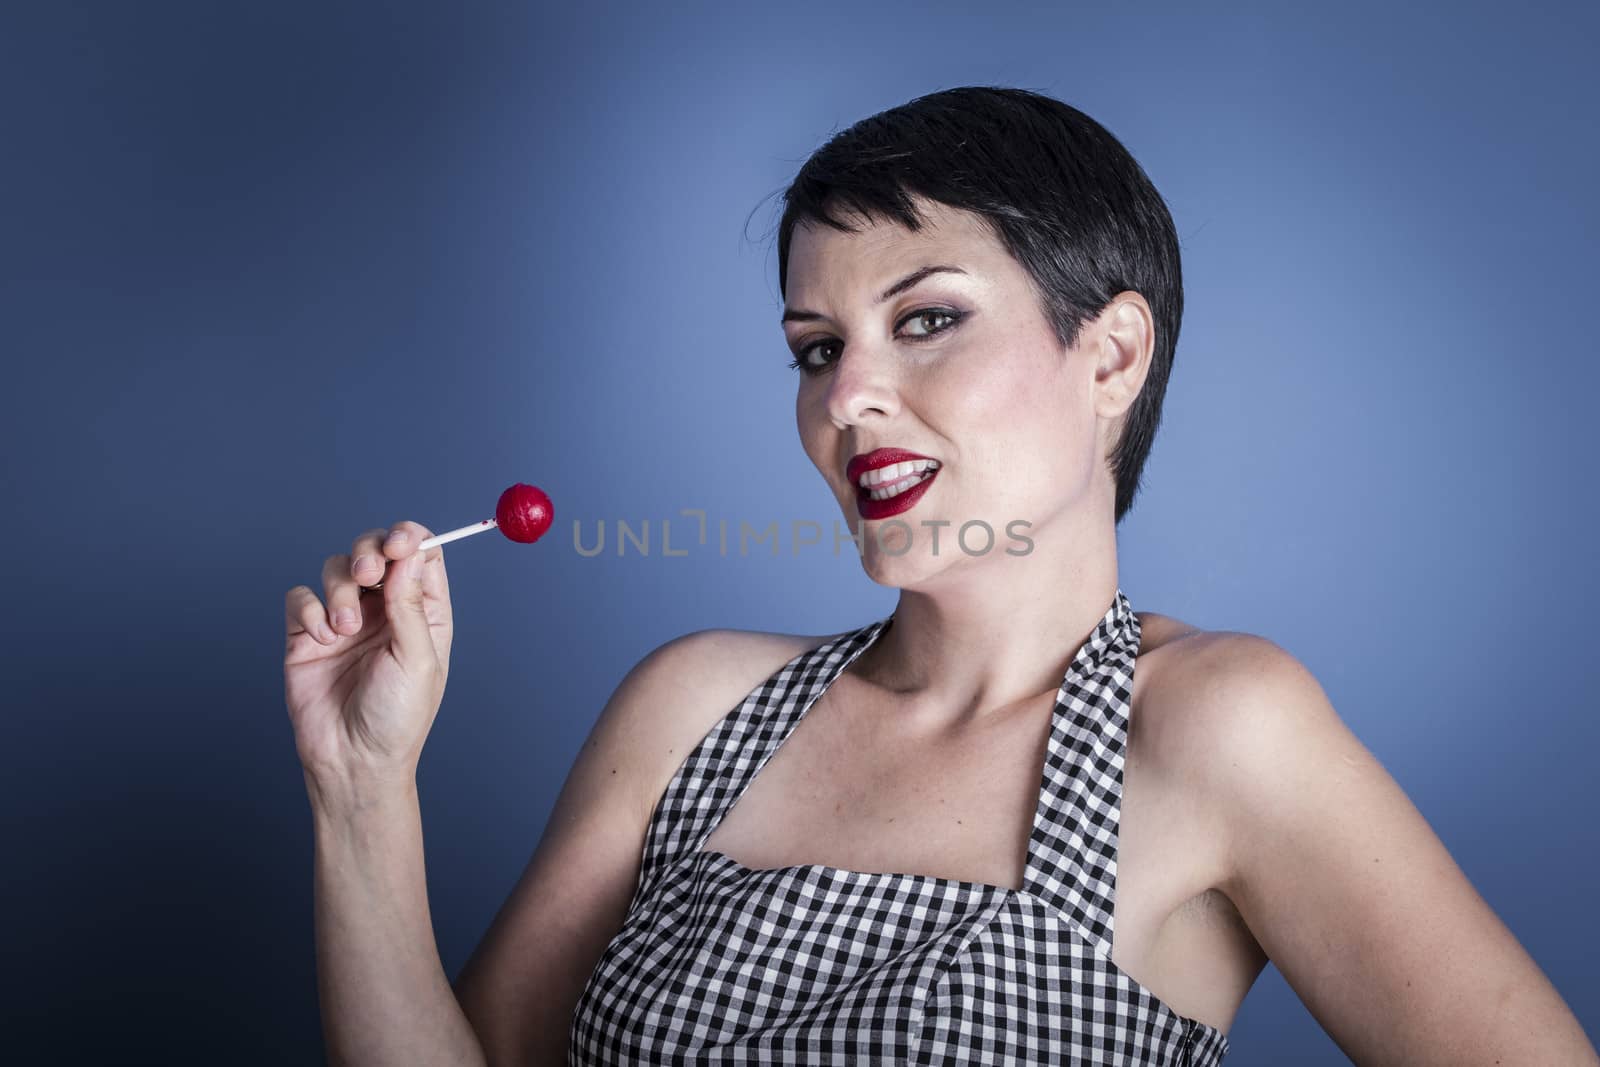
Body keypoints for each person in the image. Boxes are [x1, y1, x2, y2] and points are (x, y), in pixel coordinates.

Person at [283, 87, 1597, 1066]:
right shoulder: (694, 708)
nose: (849, 397)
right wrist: (361, 792)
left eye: (926, 320)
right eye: (815, 347)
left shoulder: (1209, 730)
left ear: (1112, 357)